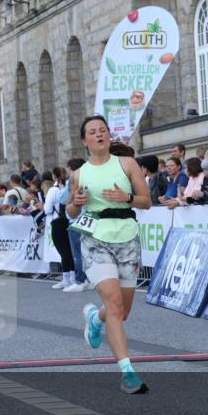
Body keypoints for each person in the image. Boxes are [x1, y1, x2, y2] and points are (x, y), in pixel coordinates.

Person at [65, 115, 151, 394]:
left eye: (103, 130)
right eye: (93, 131)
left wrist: (125, 198)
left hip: (126, 237)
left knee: (121, 312)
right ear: (84, 140)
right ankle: (127, 371)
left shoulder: (126, 164)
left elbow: (146, 201)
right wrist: (76, 204)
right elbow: (70, 210)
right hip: (95, 239)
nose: (99, 134)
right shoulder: (79, 174)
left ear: (109, 135)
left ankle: (95, 319)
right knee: (114, 303)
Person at [45, 167, 75, 289]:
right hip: (68, 220)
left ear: (54, 176)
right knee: (70, 250)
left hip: (57, 222)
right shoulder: (68, 187)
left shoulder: (53, 190)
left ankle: (66, 278)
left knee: (63, 251)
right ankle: (73, 277)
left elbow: (47, 209)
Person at [62, 158, 89, 293]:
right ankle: (86, 279)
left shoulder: (74, 179)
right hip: (86, 219)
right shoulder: (89, 177)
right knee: (85, 253)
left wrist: (70, 195)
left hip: (77, 220)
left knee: (78, 253)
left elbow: (65, 200)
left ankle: (81, 280)